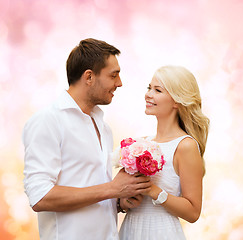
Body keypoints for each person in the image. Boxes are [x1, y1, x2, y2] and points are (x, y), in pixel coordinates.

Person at [22, 38, 151, 240]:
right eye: (113, 75)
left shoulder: (103, 126)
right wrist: (112, 189)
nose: (119, 83)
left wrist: (119, 201)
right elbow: (40, 197)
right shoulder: (48, 121)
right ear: (89, 77)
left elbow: (93, 189)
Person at [119, 65, 210, 239]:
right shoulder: (141, 143)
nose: (148, 94)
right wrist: (126, 200)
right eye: (149, 88)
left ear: (176, 101)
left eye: (157, 90)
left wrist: (154, 191)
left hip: (161, 232)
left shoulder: (185, 146)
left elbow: (193, 212)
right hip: (131, 229)